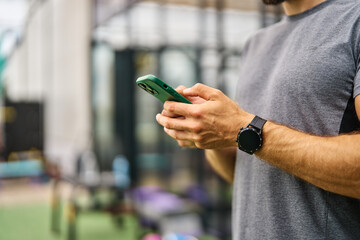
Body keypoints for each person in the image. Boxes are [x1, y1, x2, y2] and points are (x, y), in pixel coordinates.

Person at [156, 0, 360, 239]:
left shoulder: (353, 21)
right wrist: (215, 135)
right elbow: (248, 175)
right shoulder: (256, 44)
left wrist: (243, 129)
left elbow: (246, 132)